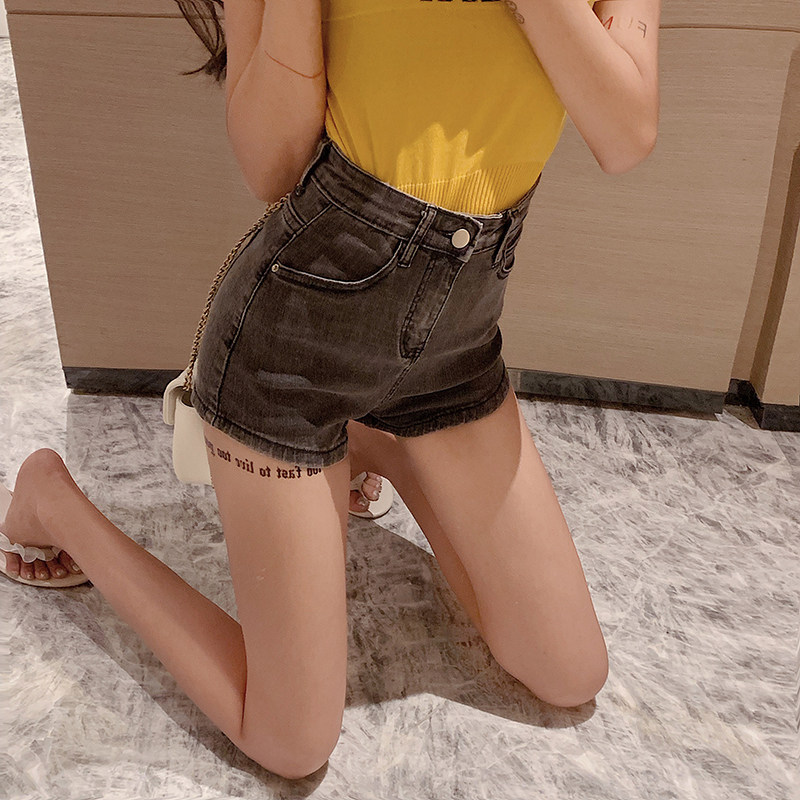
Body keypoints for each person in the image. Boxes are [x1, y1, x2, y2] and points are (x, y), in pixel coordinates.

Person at [0, 0, 660, 781]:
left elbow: (625, 133)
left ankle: (372, 439)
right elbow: (271, 168)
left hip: (450, 354)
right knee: (290, 742)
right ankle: (55, 504)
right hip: (292, 359)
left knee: (569, 672)